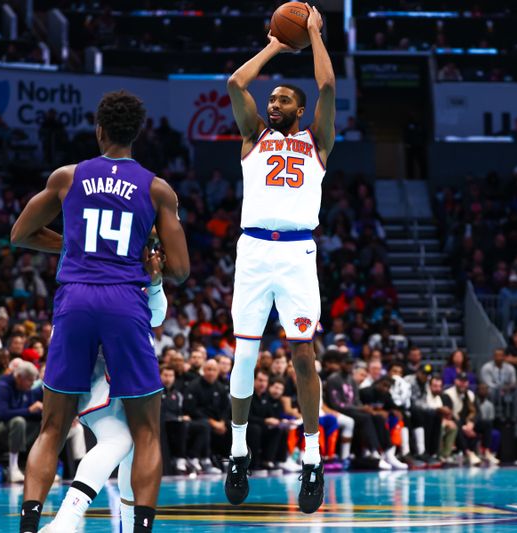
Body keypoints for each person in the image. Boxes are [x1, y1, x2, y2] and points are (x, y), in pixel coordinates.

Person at [11, 90, 189, 533]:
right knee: (146, 431)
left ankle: (31, 526)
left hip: (75, 299)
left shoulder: (68, 177)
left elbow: (21, 233)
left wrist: (71, 244)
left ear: (99, 130)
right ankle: (140, 528)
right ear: (138, 135)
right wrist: (148, 262)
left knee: (52, 426)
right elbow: (182, 270)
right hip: (123, 301)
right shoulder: (157, 188)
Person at [224, 5, 334, 514]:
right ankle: (238, 451)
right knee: (244, 356)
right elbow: (234, 83)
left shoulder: (317, 142)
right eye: (271, 98)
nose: (273, 103)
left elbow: (329, 88)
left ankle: (312, 458)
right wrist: (275, 42)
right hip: (252, 251)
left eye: (283, 98)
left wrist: (311, 36)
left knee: (304, 356)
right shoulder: (254, 138)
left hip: (296, 253)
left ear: (299, 109)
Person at [40, 246, 171, 533]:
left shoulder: (133, 267)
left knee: (135, 448)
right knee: (119, 440)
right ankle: (64, 522)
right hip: (97, 366)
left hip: (125, 364)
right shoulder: (99, 264)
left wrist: (156, 281)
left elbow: (157, 316)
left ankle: (123, 525)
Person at [0, 361, 43, 483]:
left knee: (43, 425)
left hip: (14, 429)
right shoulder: (2, 387)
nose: (32, 384)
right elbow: (3, 414)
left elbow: (31, 412)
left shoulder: (25, 388)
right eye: (30, 380)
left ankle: (37, 468)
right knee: (18, 421)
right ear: (19, 377)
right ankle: (13, 468)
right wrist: (29, 410)